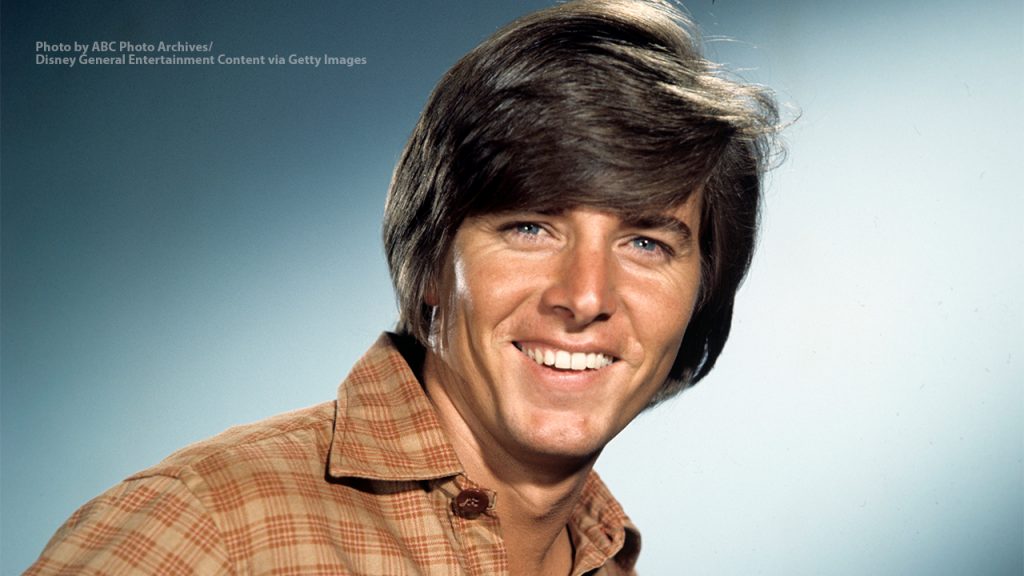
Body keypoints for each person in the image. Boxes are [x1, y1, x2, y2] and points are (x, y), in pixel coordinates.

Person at [27, 0, 779, 574]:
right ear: (429, 266)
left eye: (646, 243)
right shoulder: (206, 529)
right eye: (529, 228)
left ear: (701, 297)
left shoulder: (605, 558)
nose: (585, 298)